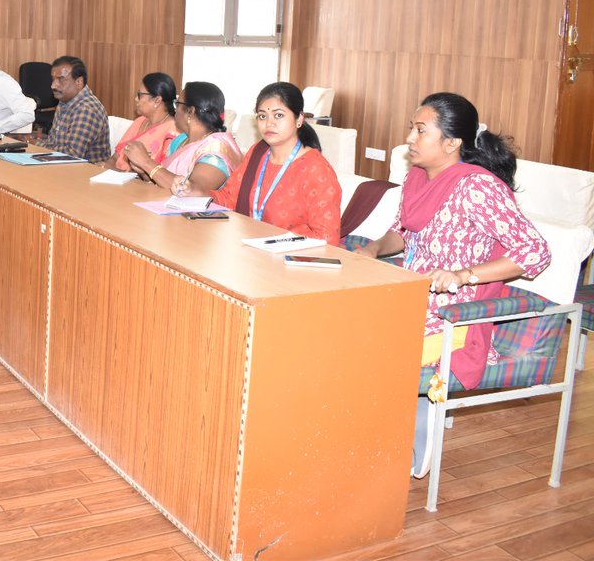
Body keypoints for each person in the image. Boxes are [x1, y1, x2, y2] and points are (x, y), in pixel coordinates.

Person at [354, 93, 550, 476]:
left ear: (452, 142)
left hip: (452, 316)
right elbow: (403, 232)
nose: (410, 138)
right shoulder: (416, 178)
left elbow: (535, 252)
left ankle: (404, 428)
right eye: (412, 128)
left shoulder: (477, 187)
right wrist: (375, 248)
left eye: (420, 130)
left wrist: (464, 275)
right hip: (411, 300)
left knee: (368, 348)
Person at [196, 82, 341, 244]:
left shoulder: (316, 170)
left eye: (278, 115)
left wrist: (277, 245)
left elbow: (327, 239)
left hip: (291, 256)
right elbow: (229, 198)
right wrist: (196, 193)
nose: (269, 123)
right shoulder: (258, 153)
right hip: (248, 246)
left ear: (299, 118)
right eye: (262, 116)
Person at [135, 81, 243, 192]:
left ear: (190, 111)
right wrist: (143, 171)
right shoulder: (180, 140)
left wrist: (146, 162)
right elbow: (163, 181)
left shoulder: (216, 151)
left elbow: (190, 190)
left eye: (177, 104)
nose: (175, 110)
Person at [37, 56, 111, 163]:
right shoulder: (64, 100)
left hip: (86, 171)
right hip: (61, 166)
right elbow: (52, 142)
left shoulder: (86, 109)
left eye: (61, 79)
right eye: (53, 79)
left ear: (79, 82)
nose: (53, 85)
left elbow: (72, 155)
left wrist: (36, 144)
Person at [109, 72, 178, 171]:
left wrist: (118, 173)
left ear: (157, 100)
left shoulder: (173, 132)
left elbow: (162, 174)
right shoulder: (140, 121)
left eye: (140, 95)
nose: (136, 99)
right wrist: (103, 167)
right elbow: (115, 157)